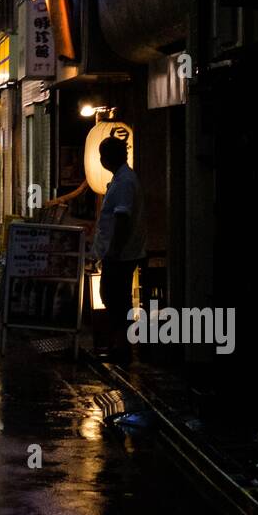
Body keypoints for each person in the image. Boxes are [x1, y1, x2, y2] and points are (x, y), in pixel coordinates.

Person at [92, 135, 146, 360]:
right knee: (113, 296)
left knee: (115, 297)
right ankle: (118, 344)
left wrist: (114, 249)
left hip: (121, 254)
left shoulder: (124, 182)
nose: (101, 160)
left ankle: (122, 347)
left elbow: (122, 218)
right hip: (118, 252)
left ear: (112, 156)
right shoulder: (121, 178)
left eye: (103, 155)